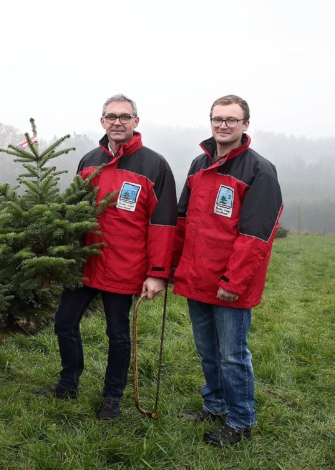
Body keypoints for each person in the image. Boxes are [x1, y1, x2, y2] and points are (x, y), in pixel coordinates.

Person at [36, 94, 177, 419]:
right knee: (64, 324)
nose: (117, 122)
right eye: (111, 116)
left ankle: (112, 396)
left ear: (135, 122)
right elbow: (73, 213)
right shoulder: (88, 160)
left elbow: (164, 223)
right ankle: (68, 384)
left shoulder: (154, 165)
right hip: (85, 263)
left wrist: (157, 272)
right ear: (102, 122)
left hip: (125, 266)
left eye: (124, 117)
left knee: (118, 334)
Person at [173, 94, 283, 446]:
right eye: (218, 119)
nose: (224, 125)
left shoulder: (259, 170)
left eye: (231, 120)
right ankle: (216, 404)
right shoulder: (198, 164)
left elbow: (255, 236)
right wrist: (172, 268)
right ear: (211, 122)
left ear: (245, 125)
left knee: (232, 355)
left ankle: (240, 421)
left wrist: (233, 281)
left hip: (229, 284)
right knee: (208, 350)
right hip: (196, 278)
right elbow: (182, 220)